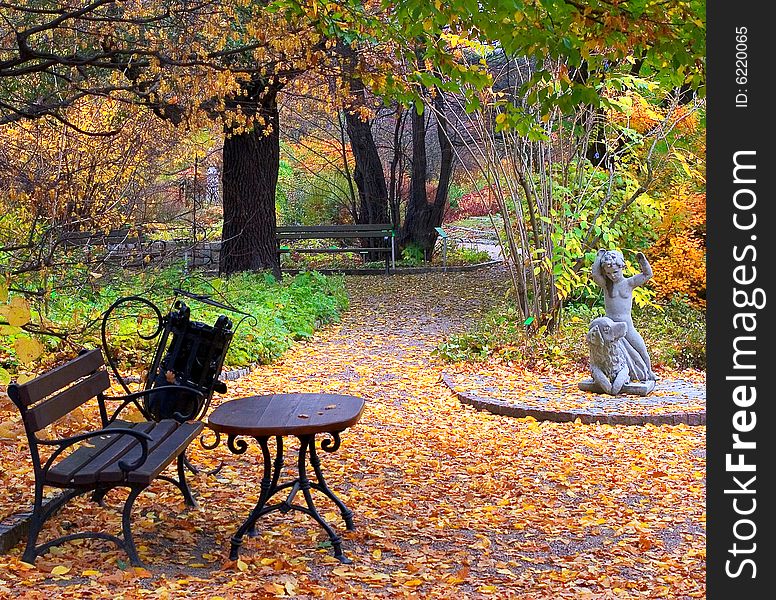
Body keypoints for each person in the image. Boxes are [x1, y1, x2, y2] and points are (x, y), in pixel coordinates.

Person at [591, 249, 656, 381]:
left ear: (622, 267)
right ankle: (609, 375)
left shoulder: (629, 283)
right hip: (611, 328)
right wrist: (599, 257)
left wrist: (642, 261)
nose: (612, 276)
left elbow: (648, 274)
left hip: (627, 326)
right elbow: (595, 274)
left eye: (615, 272)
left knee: (641, 348)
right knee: (607, 353)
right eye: (608, 273)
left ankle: (648, 372)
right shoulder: (607, 285)